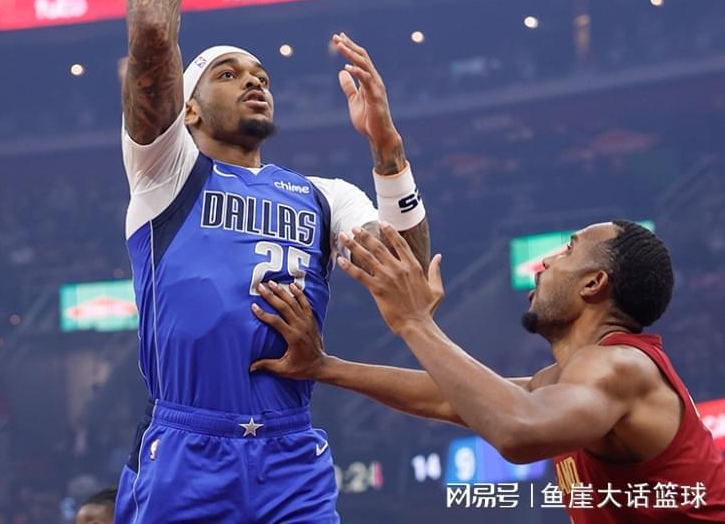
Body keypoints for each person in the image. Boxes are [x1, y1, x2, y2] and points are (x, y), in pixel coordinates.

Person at [114, 0, 431, 524]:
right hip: (188, 445)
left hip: (291, 452)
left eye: (260, 73)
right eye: (229, 73)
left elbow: (415, 288)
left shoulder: (323, 196)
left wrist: (387, 151)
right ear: (189, 109)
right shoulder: (167, 172)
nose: (254, 80)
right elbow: (153, 35)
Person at [254, 220, 725, 521]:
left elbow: (518, 431)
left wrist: (415, 322)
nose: (544, 263)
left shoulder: (618, 366)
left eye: (566, 251)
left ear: (594, 284)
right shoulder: (571, 380)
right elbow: (452, 398)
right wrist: (324, 366)